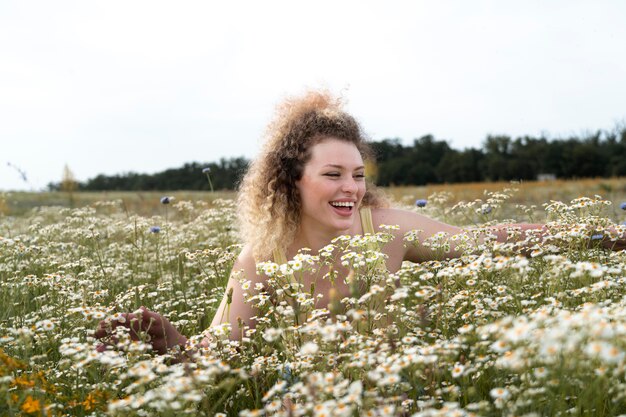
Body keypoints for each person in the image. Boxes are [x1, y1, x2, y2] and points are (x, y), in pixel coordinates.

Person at [93, 89, 620, 356]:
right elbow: (216, 353)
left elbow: (490, 240)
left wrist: (603, 234)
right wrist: (165, 339)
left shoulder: (386, 231)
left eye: (358, 174)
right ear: (290, 181)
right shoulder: (263, 259)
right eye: (332, 174)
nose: (351, 187)